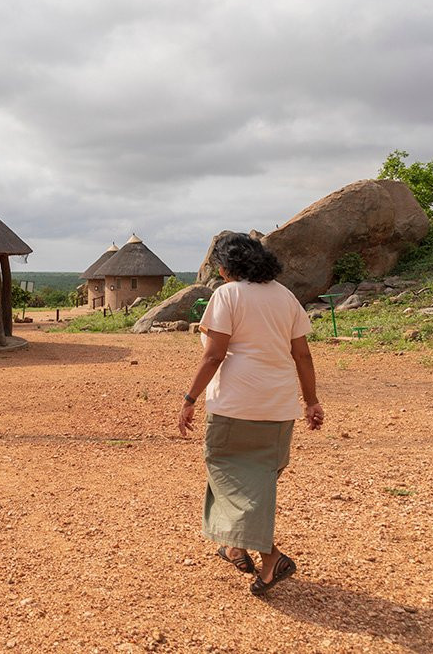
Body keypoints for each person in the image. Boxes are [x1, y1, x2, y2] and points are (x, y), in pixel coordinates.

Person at [178, 232, 324, 596]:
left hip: (236, 403)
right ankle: (235, 547)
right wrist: (311, 402)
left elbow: (213, 355)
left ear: (226, 267)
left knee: (226, 474)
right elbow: (302, 356)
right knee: (259, 478)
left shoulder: (228, 295)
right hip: (278, 407)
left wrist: (189, 398)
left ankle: (271, 556)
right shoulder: (285, 296)